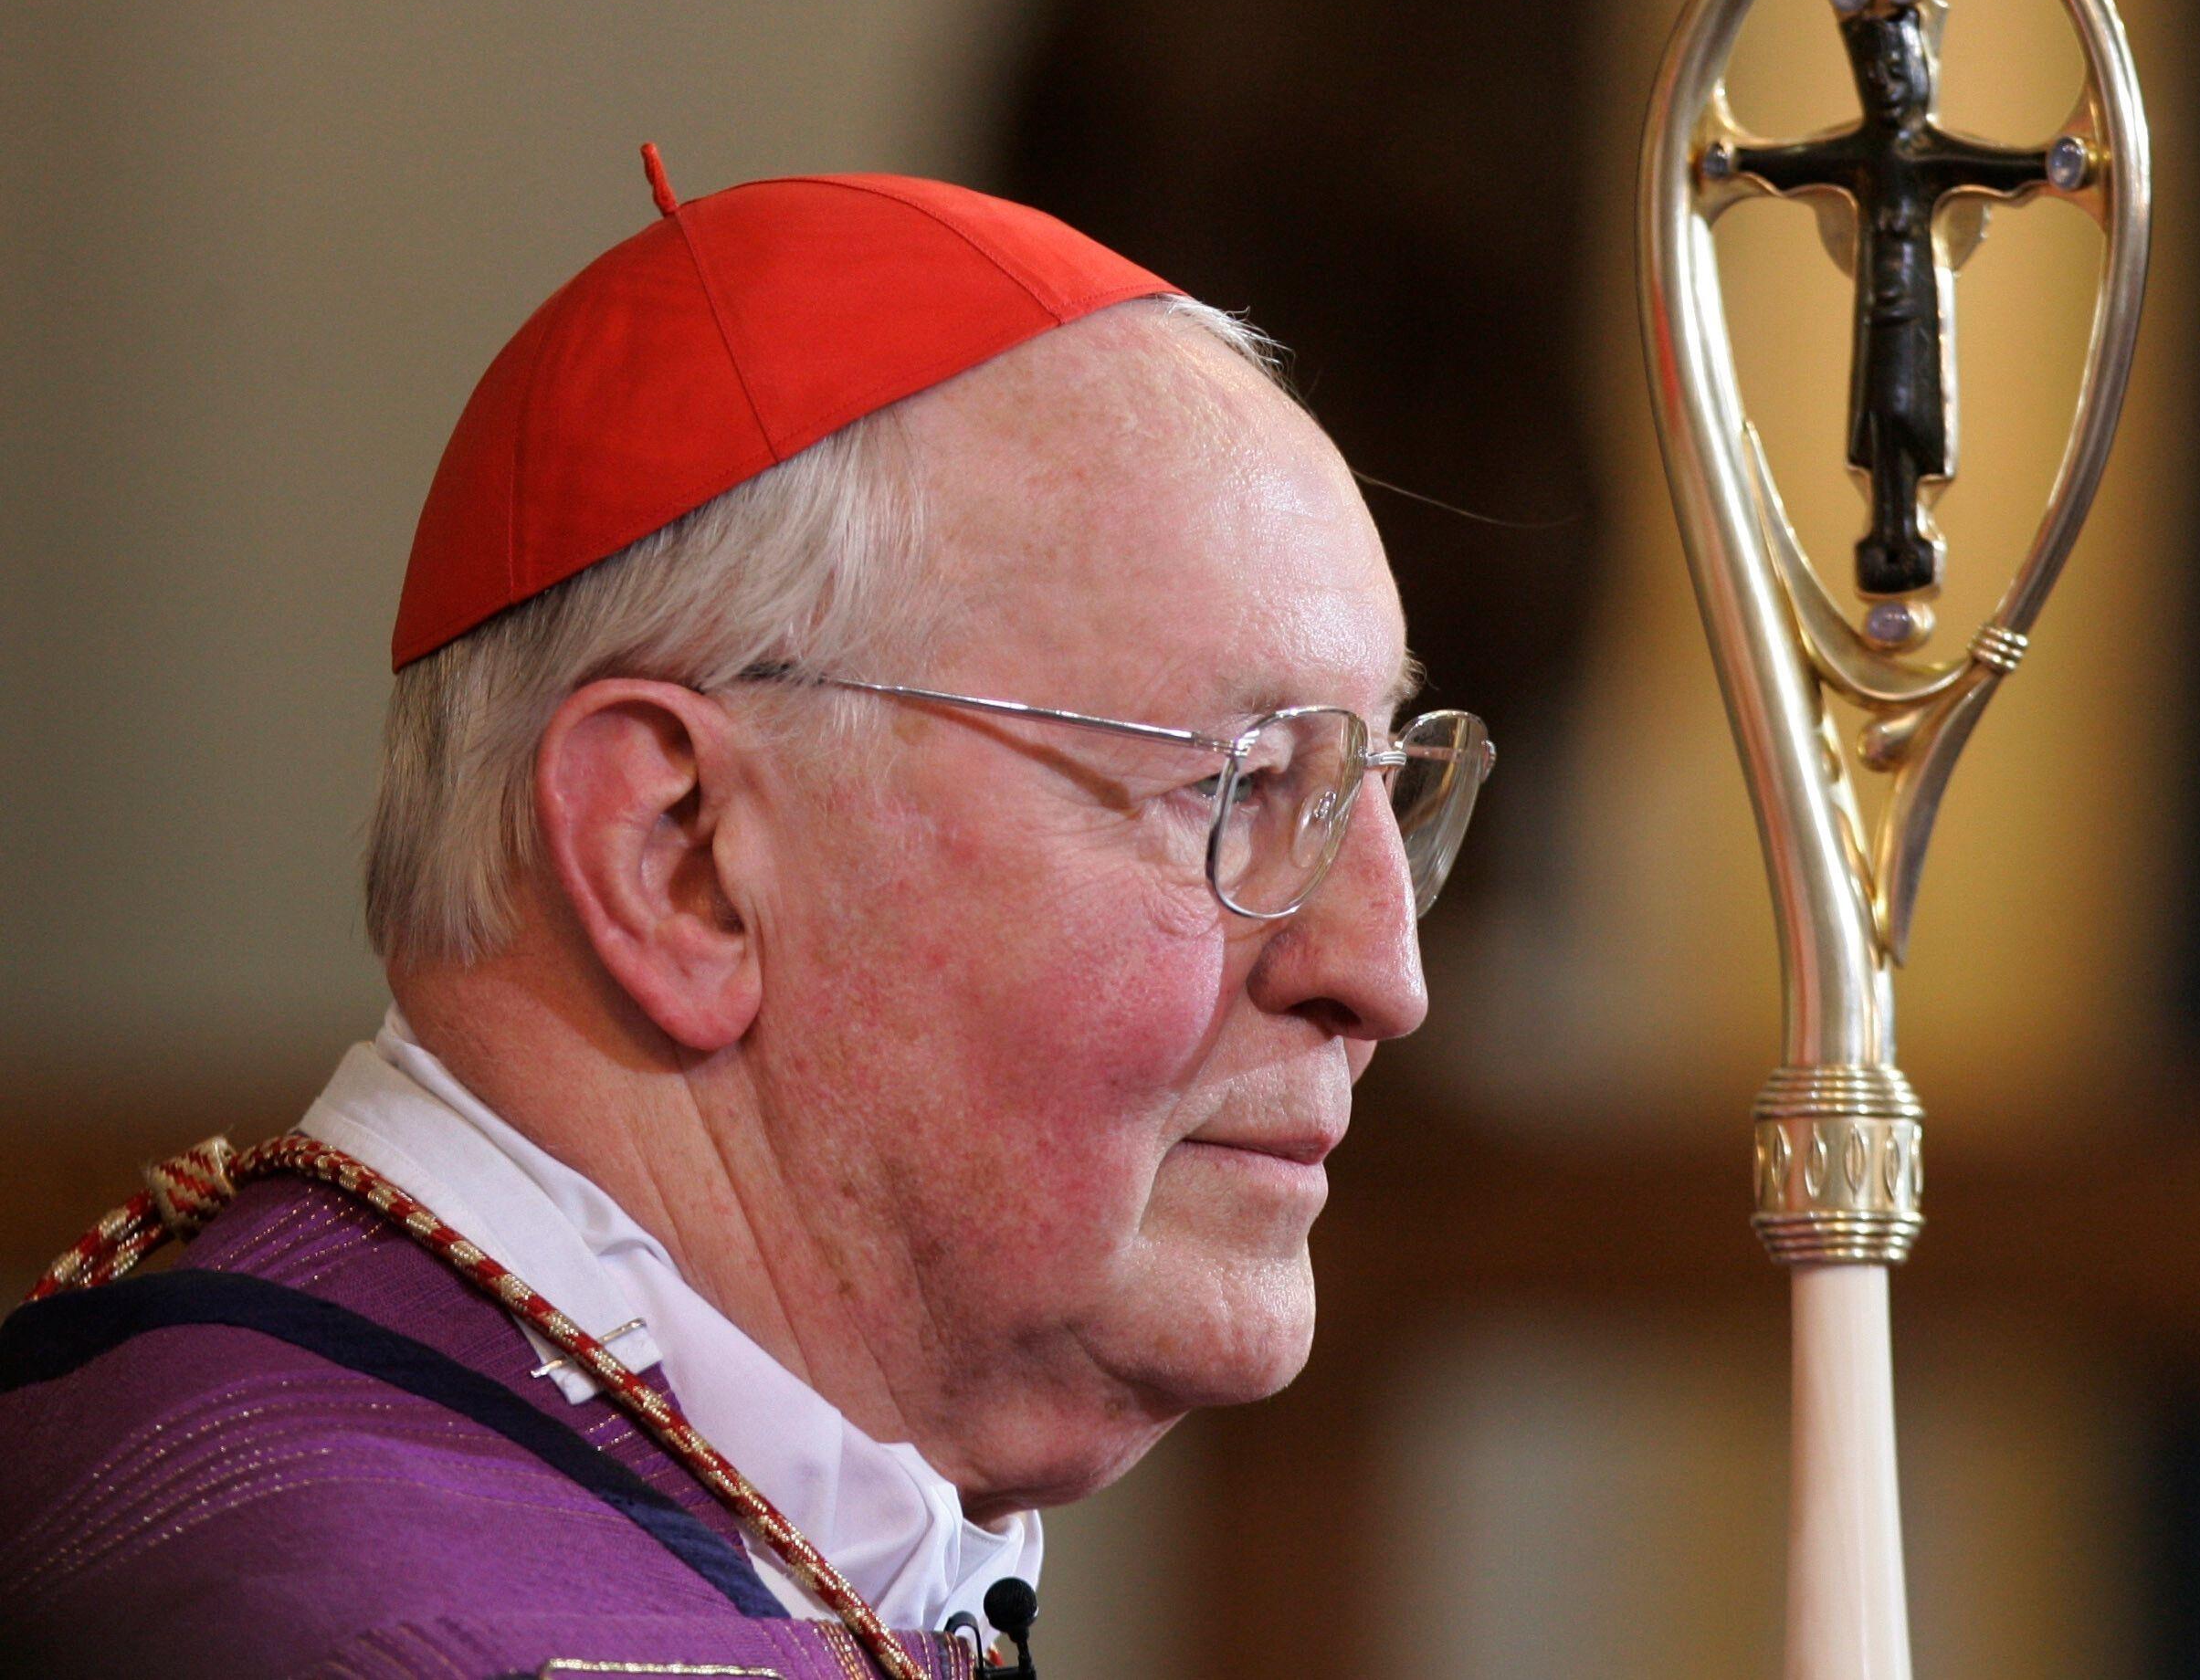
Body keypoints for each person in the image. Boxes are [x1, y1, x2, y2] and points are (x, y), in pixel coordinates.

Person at [0, 154, 1493, 1678]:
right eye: (1238, 787)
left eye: (1382, 781)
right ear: (684, 861)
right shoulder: (403, 1636)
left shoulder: (721, 1520)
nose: (1382, 973)